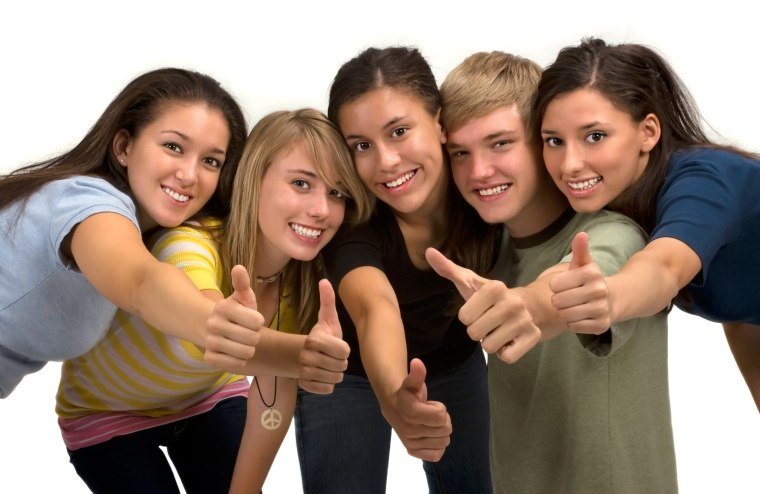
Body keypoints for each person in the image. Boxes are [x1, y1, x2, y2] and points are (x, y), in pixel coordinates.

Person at [55, 108, 372, 493]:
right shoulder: (189, 244)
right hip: (107, 413)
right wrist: (300, 354)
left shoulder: (304, 282)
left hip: (208, 398)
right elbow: (207, 326)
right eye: (301, 183)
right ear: (253, 180)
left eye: (336, 193)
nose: (322, 210)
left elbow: (272, 400)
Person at [428, 50, 677, 492]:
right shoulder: (489, 250)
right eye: (460, 152)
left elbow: (570, 282)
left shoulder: (613, 235)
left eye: (500, 143)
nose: (479, 171)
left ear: (541, 143)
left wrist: (529, 304)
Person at [294, 46, 499, 493]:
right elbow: (375, 308)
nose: (386, 161)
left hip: (454, 359)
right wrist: (393, 396)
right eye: (362, 146)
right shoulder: (352, 222)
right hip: (347, 372)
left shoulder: (484, 189)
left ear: (439, 123)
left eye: (399, 131)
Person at [0, 68, 263, 399]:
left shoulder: (163, 235)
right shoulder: (89, 201)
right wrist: (207, 320)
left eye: (211, 161)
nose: (189, 175)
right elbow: (141, 281)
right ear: (124, 146)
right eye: (173, 146)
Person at [532, 38, 760, 411]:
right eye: (554, 141)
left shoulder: (704, 183)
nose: (570, 164)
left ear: (648, 132)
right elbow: (744, 310)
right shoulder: (620, 201)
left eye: (595, 136)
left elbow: (664, 266)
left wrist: (611, 296)